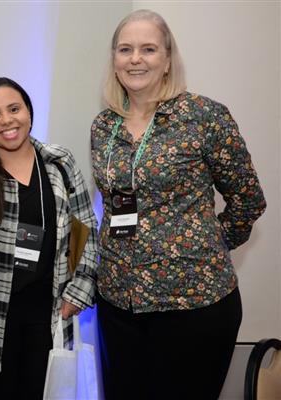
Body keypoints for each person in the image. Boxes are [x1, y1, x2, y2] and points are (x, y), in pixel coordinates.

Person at [91, 10, 266, 400]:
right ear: (115, 60)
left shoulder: (205, 117)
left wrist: (207, 245)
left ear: (168, 59)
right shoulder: (104, 126)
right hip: (120, 302)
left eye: (148, 49)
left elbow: (248, 199)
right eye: (125, 49)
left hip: (193, 306)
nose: (135, 59)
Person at [0, 77, 98, 399]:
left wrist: (79, 291)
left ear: (28, 110)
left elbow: (86, 227)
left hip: (51, 310)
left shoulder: (60, 162)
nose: (7, 121)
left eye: (14, 109)